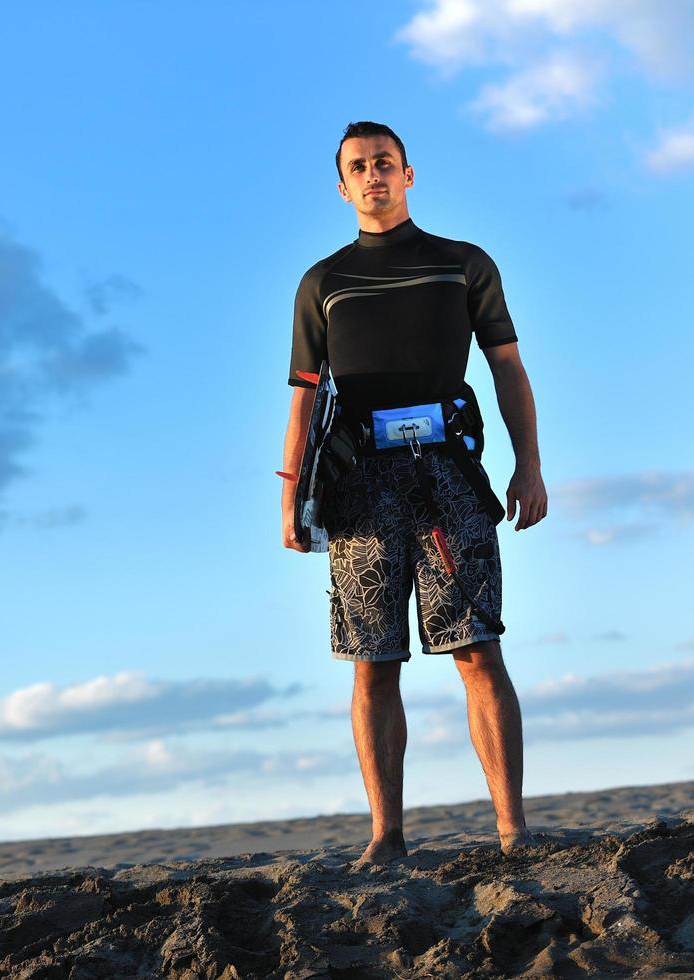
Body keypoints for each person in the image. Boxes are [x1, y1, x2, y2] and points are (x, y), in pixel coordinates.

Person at [280, 121, 547, 866]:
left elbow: (508, 370)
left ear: (409, 174)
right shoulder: (322, 283)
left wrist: (529, 465)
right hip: (356, 484)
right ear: (342, 186)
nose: (374, 176)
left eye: (385, 164)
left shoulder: (463, 265)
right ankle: (386, 837)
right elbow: (303, 400)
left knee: (478, 649)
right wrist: (289, 498)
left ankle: (512, 829)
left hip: (448, 475)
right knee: (372, 661)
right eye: (359, 168)